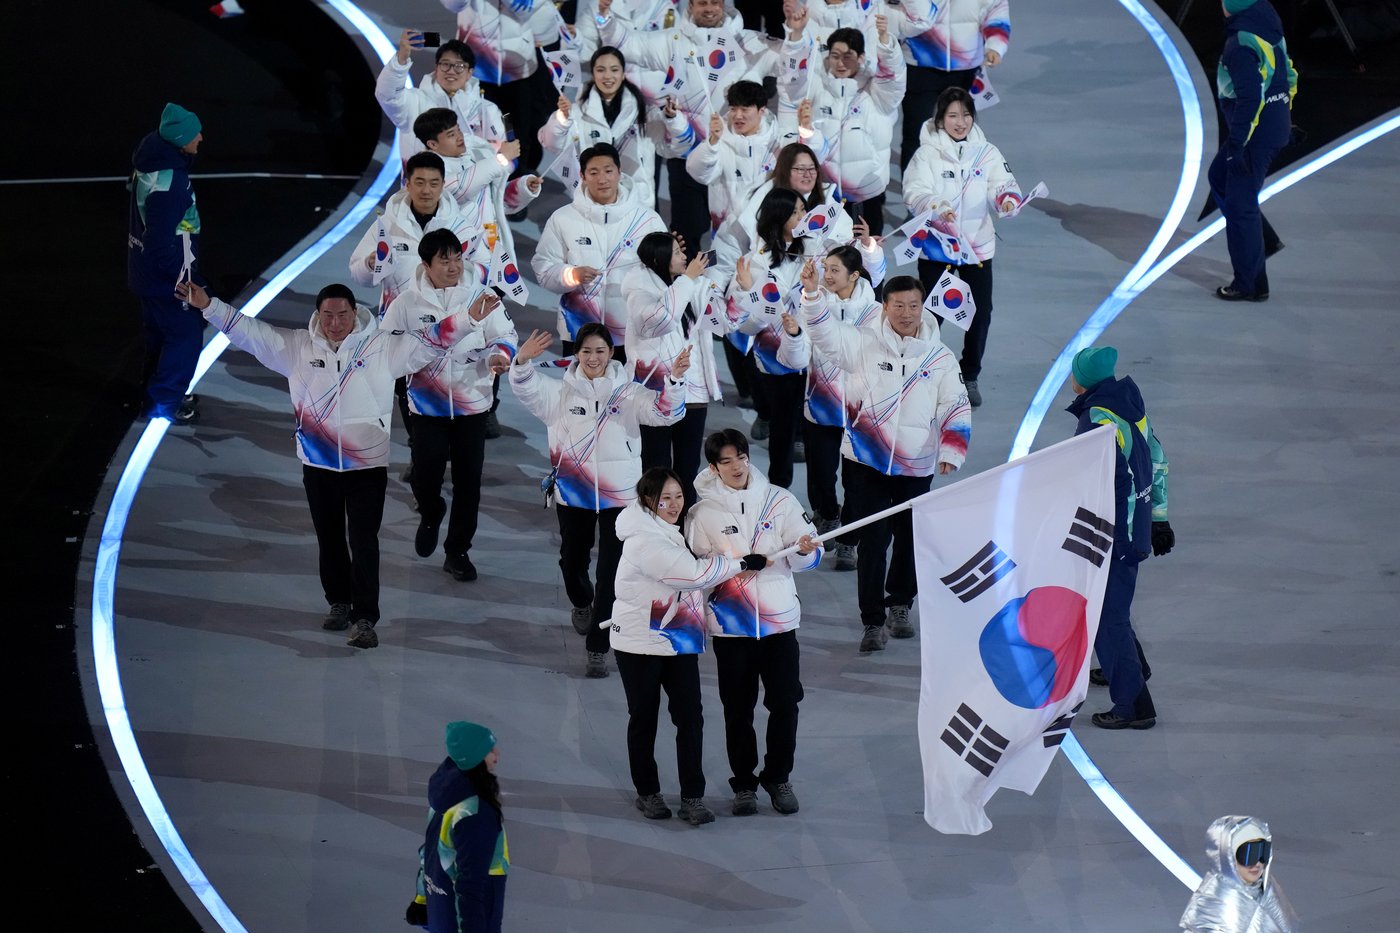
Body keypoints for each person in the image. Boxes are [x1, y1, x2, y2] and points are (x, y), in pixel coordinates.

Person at [175, 280, 501, 649]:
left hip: (367, 467)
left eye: (342, 315)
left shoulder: (381, 346)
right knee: (329, 539)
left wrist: (469, 319)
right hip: (318, 465)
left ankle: (365, 619)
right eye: (327, 315)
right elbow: (249, 332)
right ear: (318, 315)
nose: (335, 323)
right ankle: (339, 603)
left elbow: (430, 340)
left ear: (354, 313)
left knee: (364, 541)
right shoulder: (297, 347)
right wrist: (209, 305)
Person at [799, 267, 971, 652]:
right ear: (885, 306)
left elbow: (955, 405)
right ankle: (872, 621)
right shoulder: (862, 342)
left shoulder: (940, 357)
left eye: (913, 305)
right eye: (898, 305)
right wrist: (811, 296)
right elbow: (823, 334)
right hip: (866, 462)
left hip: (915, 466)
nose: (906, 313)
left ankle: (900, 604)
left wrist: (951, 450)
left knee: (909, 540)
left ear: (923, 306)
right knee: (873, 543)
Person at [510, 323, 690, 677]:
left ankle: (597, 646)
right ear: (576, 354)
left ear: (611, 354)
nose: (593, 358)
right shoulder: (559, 392)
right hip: (573, 494)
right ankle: (581, 601)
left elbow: (665, 413)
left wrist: (675, 381)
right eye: (587, 351)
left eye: (600, 351)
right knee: (571, 562)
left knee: (610, 573)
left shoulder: (629, 393)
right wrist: (521, 362)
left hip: (620, 498)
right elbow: (527, 390)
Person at [685, 430, 820, 816]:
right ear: (714, 468)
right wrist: (738, 565)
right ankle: (743, 783)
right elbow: (697, 570)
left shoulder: (780, 500)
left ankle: (778, 777)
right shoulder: (702, 514)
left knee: (786, 703)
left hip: (780, 625)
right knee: (737, 709)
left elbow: (811, 556)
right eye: (726, 461)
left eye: (741, 457)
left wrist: (803, 552)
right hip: (732, 628)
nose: (737, 466)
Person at [609, 467, 751, 826]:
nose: (674, 505)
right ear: (648, 501)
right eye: (665, 499)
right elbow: (693, 575)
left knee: (690, 719)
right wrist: (741, 563)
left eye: (678, 496)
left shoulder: (675, 530)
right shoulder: (644, 540)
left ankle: (693, 798)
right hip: (640, 643)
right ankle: (648, 792)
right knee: (644, 718)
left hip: (680, 638)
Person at [595, 0, 782, 257]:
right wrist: (605, 18)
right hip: (687, 151)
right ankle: (685, 278)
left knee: (739, 233)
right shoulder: (673, 41)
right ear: (691, 5)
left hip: (736, 157)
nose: (709, 8)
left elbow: (791, 62)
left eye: (715, 2)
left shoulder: (748, 41)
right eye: (702, 2)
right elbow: (629, 44)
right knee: (687, 230)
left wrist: (795, 34)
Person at [381, 230, 516, 583]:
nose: (454, 266)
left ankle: (458, 551)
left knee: (468, 483)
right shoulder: (405, 305)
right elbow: (388, 355)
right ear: (426, 265)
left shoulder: (482, 296)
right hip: (427, 410)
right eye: (445, 260)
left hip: (473, 406)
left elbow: (506, 335)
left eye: (457, 258)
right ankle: (431, 512)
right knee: (424, 478)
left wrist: (501, 355)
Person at [1065, 346, 1172, 730]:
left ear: (1082, 381)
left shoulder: (1096, 422)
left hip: (1113, 536)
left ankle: (1134, 705)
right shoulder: (1128, 403)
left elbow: (1086, 483)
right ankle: (1131, 667)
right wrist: (1158, 517)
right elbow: (1157, 458)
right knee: (1113, 610)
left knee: (1107, 617)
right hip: (1134, 527)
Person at [903, 86, 1021, 408]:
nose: (960, 122)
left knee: (980, 315)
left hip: (977, 249)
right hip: (938, 247)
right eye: (953, 115)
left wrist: (1007, 200)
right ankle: (922, 372)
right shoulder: (926, 154)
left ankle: (969, 375)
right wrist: (936, 206)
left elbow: (1004, 185)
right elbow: (914, 192)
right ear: (940, 119)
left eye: (966, 115)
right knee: (930, 315)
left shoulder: (987, 152)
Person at [782, 244, 882, 569]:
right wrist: (794, 335)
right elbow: (797, 359)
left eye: (835, 269)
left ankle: (848, 541)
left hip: (858, 411)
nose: (827, 275)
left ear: (854, 275)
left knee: (856, 481)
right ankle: (826, 515)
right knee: (822, 474)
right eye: (826, 268)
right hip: (821, 406)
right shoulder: (812, 303)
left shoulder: (873, 312)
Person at [623, 232, 736, 506]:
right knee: (656, 468)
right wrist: (688, 280)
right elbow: (663, 320)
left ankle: (684, 526)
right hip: (654, 394)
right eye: (676, 252)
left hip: (693, 390)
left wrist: (741, 290)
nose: (685, 256)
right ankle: (653, 524)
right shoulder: (640, 293)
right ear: (658, 259)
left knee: (687, 470)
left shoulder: (692, 285)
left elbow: (725, 323)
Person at [729, 187, 825, 490]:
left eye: (803, 209)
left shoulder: (817, 250)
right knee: (782, 428)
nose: (802, 216)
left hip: (816, 353)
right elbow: (744, 325)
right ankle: (778, 492)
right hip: (776, 356)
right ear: (778, 216)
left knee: (817, 431)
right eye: (795, 212)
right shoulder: (753, 263)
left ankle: (822, 504)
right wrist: (749, 292)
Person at [531, 143, 667, 356]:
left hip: (633, 332)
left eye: (608, 171)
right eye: (593, 173)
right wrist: (571, 275)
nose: (602, 179)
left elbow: (664, 274)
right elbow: (543, 267)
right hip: (580, 330)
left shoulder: (647, 220)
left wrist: (670, 256)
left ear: (619, 172)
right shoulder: (563, 219)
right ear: (582, 176)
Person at [779, 13, 908, 234]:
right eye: (835, 56)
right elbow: (792, 80)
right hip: (824, 194)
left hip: (865, 196)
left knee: (867, 253)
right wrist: (796, 35)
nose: (840, 63)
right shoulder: (816, 87)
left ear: (861, 57)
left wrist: (886, 42)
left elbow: (895, 77)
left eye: (848, 56)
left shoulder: (877, 92)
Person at [1209, 0, 1296, 302]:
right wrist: (1284, 118)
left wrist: (1236, 146)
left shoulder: (1239, 46)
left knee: (1240, 206)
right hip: (1270, 125)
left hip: (1253, 136)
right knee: (1219, 177)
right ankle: (1263, 241)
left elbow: (1250, 100)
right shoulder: (1267, 24)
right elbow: (1288, 75)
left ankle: (1251, 284)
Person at [127, 102, 206, 423]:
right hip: (169, 279)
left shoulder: (151, 162)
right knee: (185, 337)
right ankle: (165, 403)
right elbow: (159, 244)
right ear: (181, 140)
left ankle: (154, 394)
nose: (201, 138)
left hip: (145, 273)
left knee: (159, 336)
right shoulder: (170, 184)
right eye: (195, 134)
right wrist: (186, 278)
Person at [538, 46, 691, 211]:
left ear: (623, 74)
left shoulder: (644, 112)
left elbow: (677, 147)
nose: (608, 76)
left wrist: (672, 119)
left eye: (614, 70)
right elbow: (553, 144)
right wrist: (562, 118)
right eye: (601, 70)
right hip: (594, 200)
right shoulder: (577, 112)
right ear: (593, 74)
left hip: (636, 202)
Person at [685, 80, 824, 242]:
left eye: (745, 109)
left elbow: (815, 158)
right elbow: (698, 172)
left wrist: (807, 130)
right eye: (733, 109)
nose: (738, 115)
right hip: (729, 234)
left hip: (773, 234)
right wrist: (712, 142)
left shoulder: (780, 140)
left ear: (761, 111)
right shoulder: (720, 141)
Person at [349, 151, 481, 319]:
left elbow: (482, 271)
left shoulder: (461, 227)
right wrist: (369, 265)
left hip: (448, 321)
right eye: (420, 183)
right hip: (397, 322)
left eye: (434, 184)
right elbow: (358, 274)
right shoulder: (387, 225)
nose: (426, 190)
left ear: (442, 185)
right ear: (407, 184)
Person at [887, 0, 1010, 173]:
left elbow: (995, 10)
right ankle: (912, 187)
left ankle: (960, 186)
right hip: (918, 65)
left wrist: (995, 46)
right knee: (915, 134)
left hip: (965, 69)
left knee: (960, 133)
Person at [412, 721, 509, 933]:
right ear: (474, 758)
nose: (497, 752)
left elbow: (428, 853)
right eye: (489, 749)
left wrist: (422, 899)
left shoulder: (445, 794)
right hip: (471, 915)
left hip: (440, 904)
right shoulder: (475, 813)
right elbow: (471, 885)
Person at [377, 32, 512, 165]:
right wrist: (402, 57)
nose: (451, 71)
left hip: (475, 179)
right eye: (445, 64)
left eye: (459, 66)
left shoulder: (487, 109)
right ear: (436, 68)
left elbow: (504, 157)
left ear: (469, 72)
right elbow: (388, 95)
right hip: (423, 179)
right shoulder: (414, 102)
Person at [1180, 816, 1298, 932]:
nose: (1258, 863)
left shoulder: (1267, 887)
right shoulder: (1211, 908)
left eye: (1263, 852)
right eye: (1249, 854)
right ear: (1227, 857)